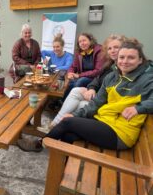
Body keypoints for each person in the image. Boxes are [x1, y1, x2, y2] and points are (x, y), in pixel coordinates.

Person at [19, 38, 153, 151]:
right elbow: (96, 103)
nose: (125, 61)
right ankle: (65, 172)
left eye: (131, 58)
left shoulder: (146, 79)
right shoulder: (112, 77)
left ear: (140, 60)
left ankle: (38, 145)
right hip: (105, 121)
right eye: (122, 57)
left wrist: (138, 108)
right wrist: (76, 115)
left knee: (67, 123)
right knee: (68, 135)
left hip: (121, 134)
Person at [37, 35, 126, 133]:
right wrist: (90, 87)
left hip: (100, 96)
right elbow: (98, 78)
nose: (112, 50)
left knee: (79, 89)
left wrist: (80, 76)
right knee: (73, 88)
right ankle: (55, 124)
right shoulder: (109, 64)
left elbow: (97, 73)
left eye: (116, 47)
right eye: (109, 48)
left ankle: (56, 125)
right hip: (97, 91)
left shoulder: (115, 64)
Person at [64, 33, 104, 98]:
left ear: (90, 40)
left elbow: (98, 71)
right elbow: (73, 66)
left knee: (81, 81)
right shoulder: (79, 52)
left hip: (96, 78)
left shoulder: (99, 51)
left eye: (84, 40)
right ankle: (63, 101)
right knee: (70, 81)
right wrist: (70, 73)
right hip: (83, 76)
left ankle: (69, 99)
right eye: (80, 42)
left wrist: (79, 75)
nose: (82, 43)